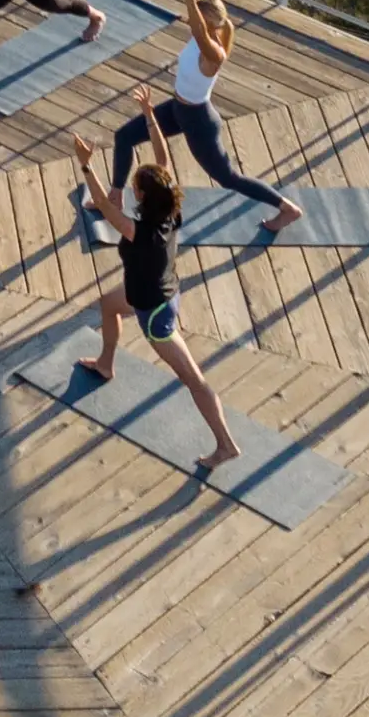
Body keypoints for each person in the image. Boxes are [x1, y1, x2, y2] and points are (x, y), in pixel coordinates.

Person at [108, 0, 304, 232]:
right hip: (177, 108)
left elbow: (195, 17)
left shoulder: (213, 52)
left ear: (207, 23)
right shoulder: (204, 30)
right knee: (124, 136)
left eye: (196, 16)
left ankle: (287, 209)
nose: (190, 18)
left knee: (228, 178)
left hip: (198, 120)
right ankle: (115, 195)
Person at [72, 119, 243, 464]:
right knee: (108, 305)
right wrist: (149, 113)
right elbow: (163, 160)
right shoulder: (170, 210)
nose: (133, 186)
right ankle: (106, 364)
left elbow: (105, 208)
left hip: (155, 316)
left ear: (143, 195)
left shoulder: (140, 230)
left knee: (194, 380)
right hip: (152, 292)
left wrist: (87, 164)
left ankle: (226, 444)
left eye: (135, 184)